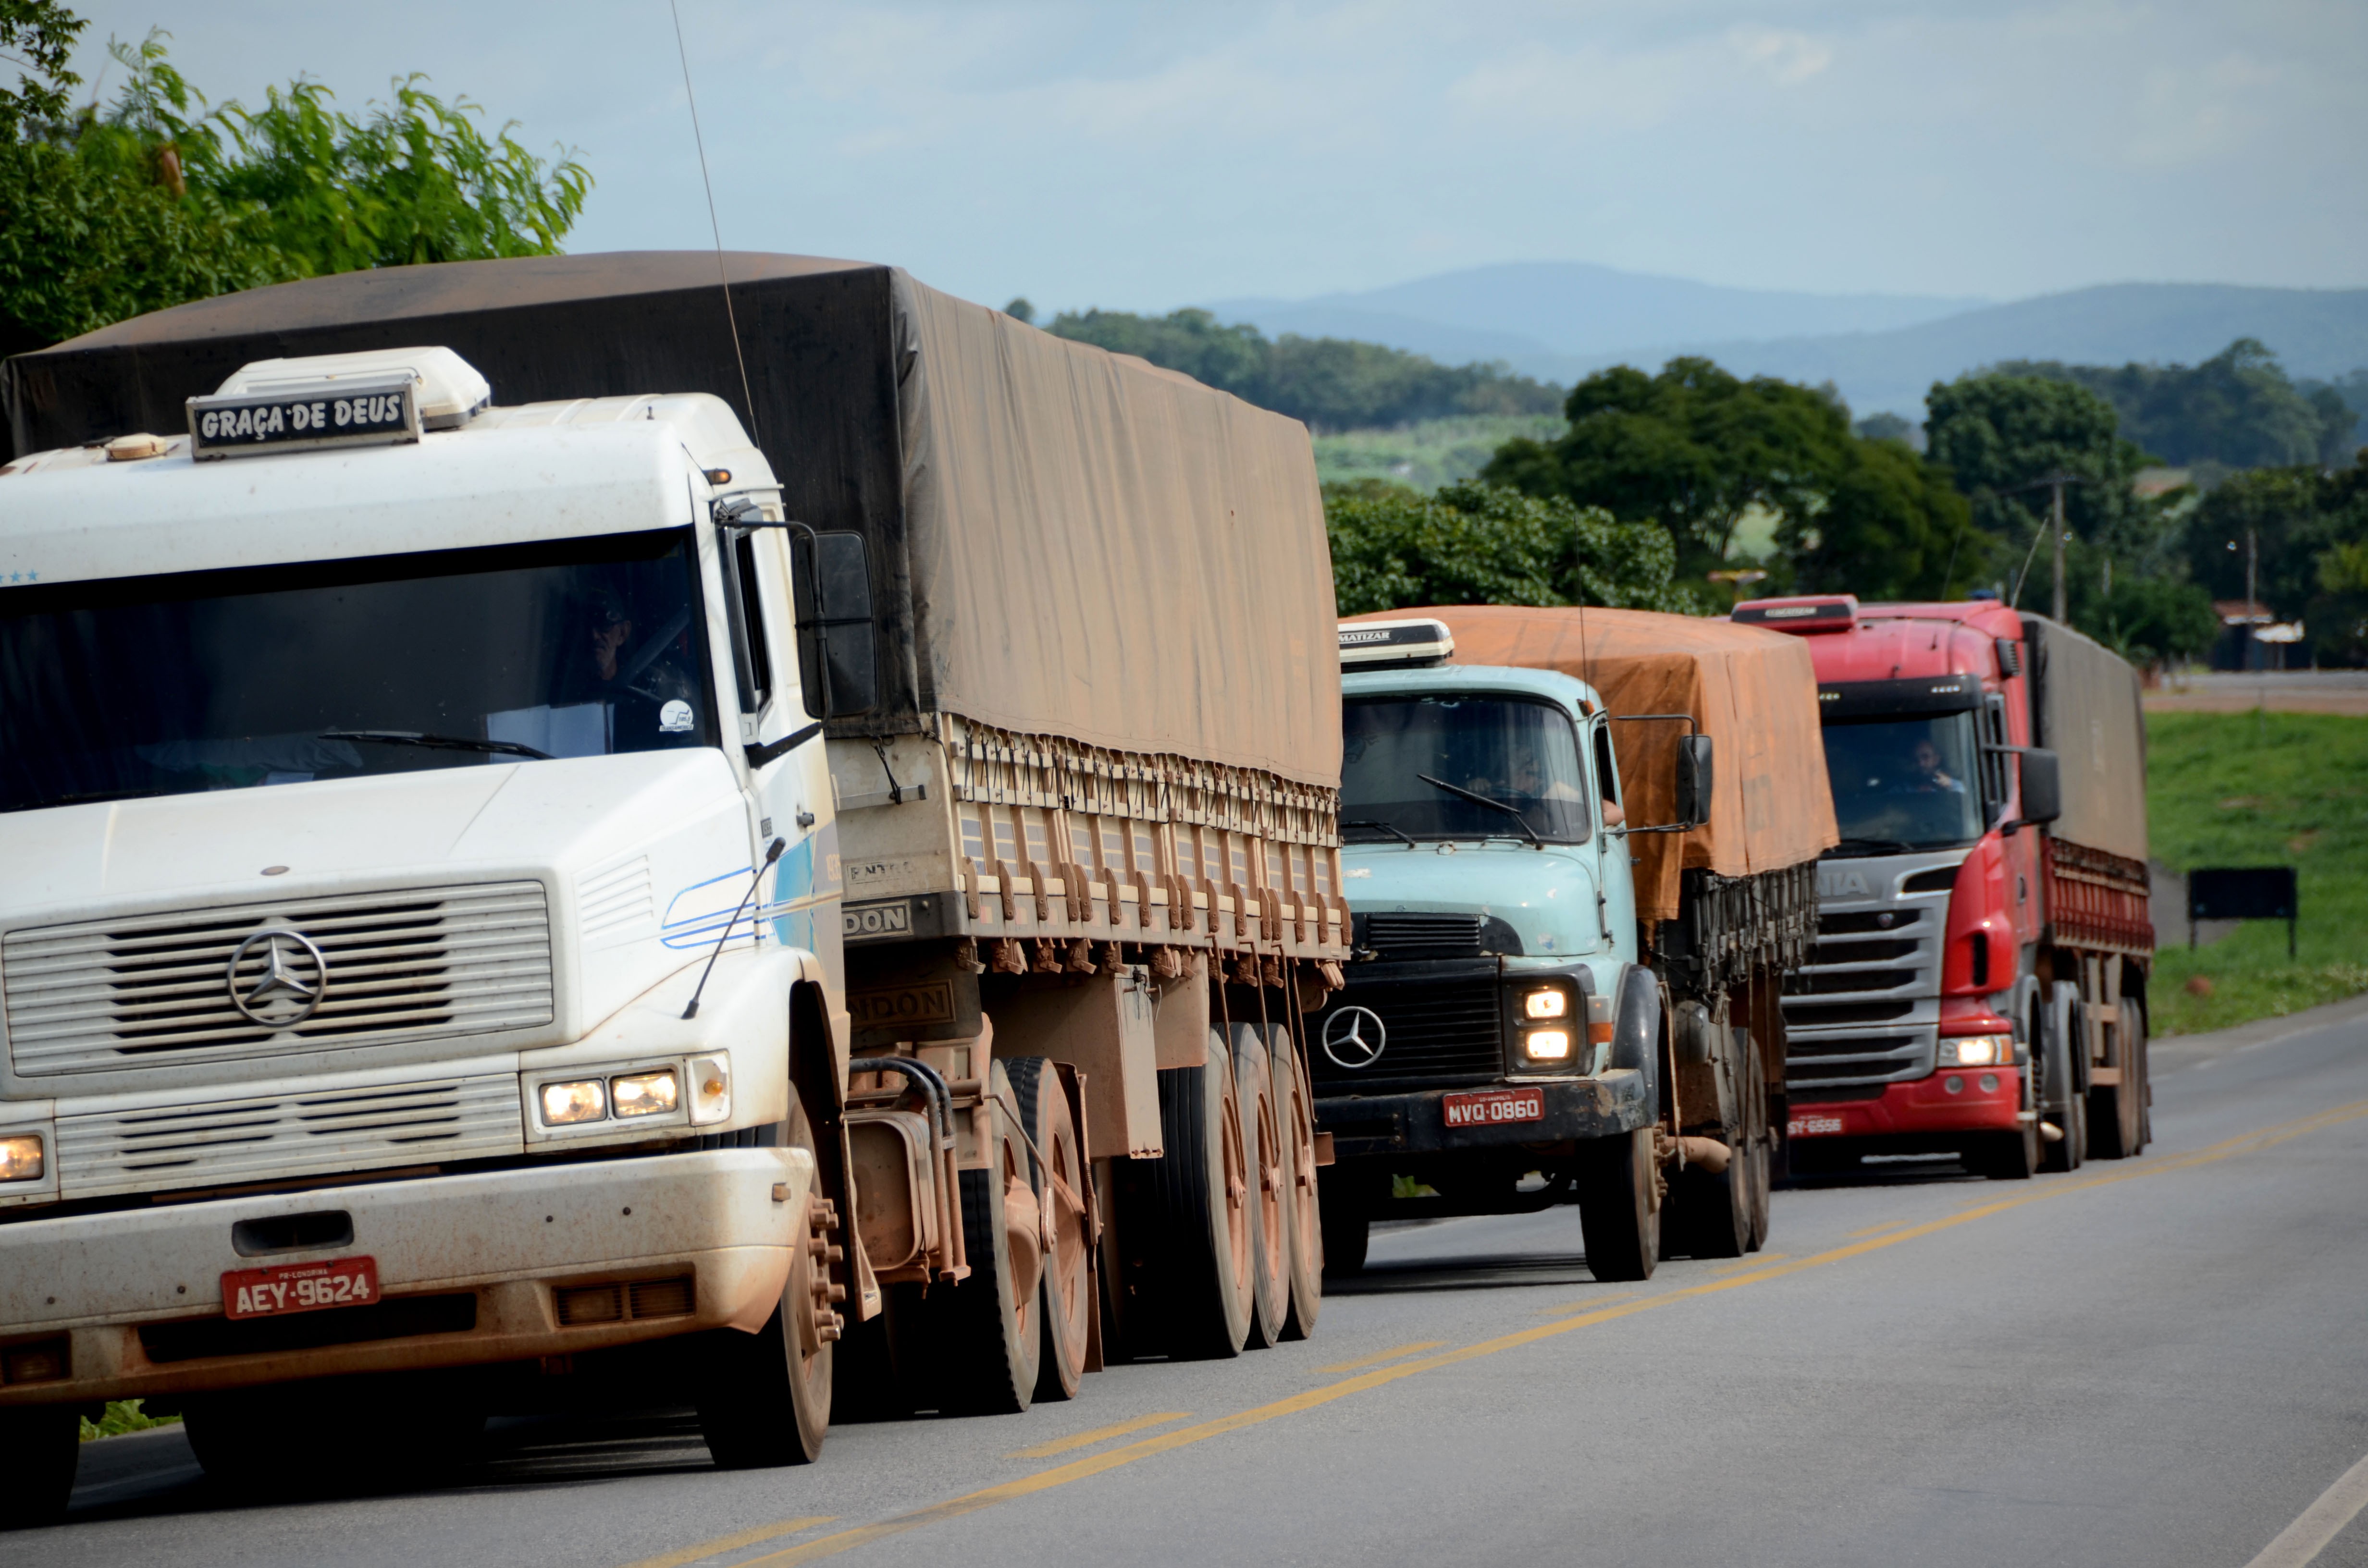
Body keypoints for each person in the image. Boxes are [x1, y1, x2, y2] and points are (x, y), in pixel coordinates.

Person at [1899, 735, 1963, 794]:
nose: (1921, 763)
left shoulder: (1952, 786)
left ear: (1936, 760)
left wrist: (1949, 786)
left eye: (1925, 757)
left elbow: (1963, 797)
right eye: (1916, 759)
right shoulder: (1902, 790)